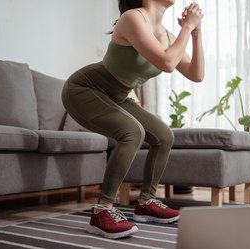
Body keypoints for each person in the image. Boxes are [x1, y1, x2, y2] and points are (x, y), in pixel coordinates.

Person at [61, 0, 204, 239]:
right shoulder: (132, 18)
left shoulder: (168, 35)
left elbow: (196, 74)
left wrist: (196, 34)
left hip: (119, 95)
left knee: (164, 135)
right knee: (132, 132)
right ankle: (102, 210)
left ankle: (146, 202)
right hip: (85, 89)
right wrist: (187, 29)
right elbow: (167, 63)